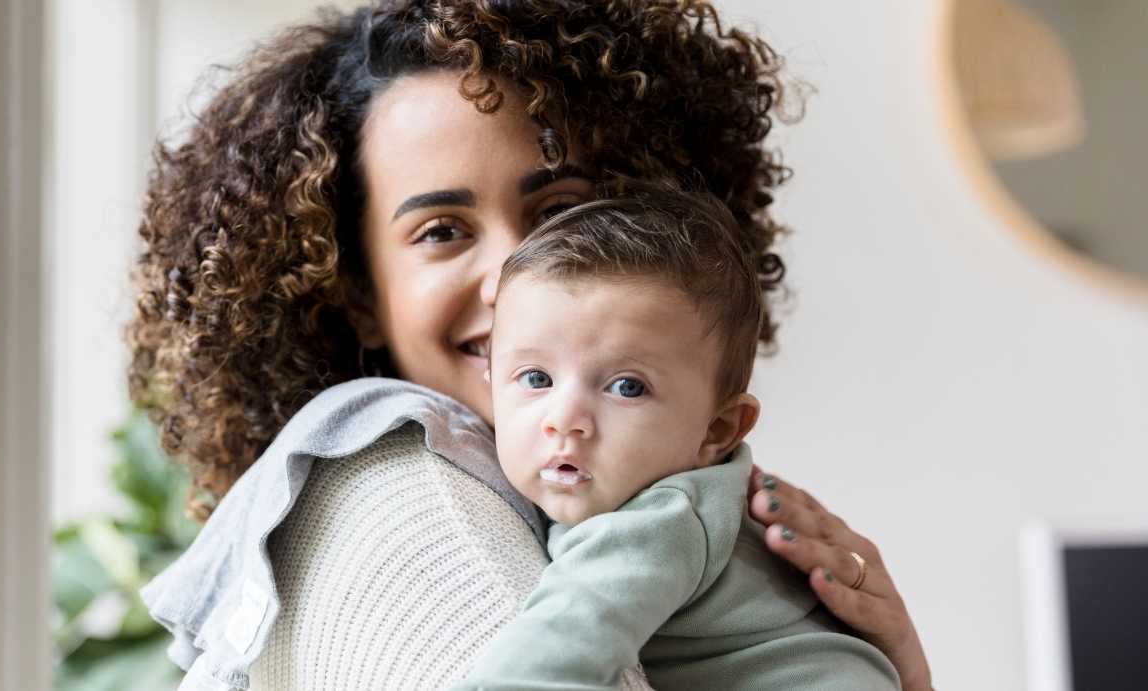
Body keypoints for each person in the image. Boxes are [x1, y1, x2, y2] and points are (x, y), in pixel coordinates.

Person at [129, 1, 933, 689]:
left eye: (558, 216)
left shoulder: (645, 491)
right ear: (359, 293)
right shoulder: (411, 492)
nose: (514, 276)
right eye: (442, 231)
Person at [450, 188, 899, 689]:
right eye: (536, 378)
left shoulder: (657, 522)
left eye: (627, 387)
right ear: (492, 383)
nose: (565, 419)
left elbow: (538, 669)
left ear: (718, 430)